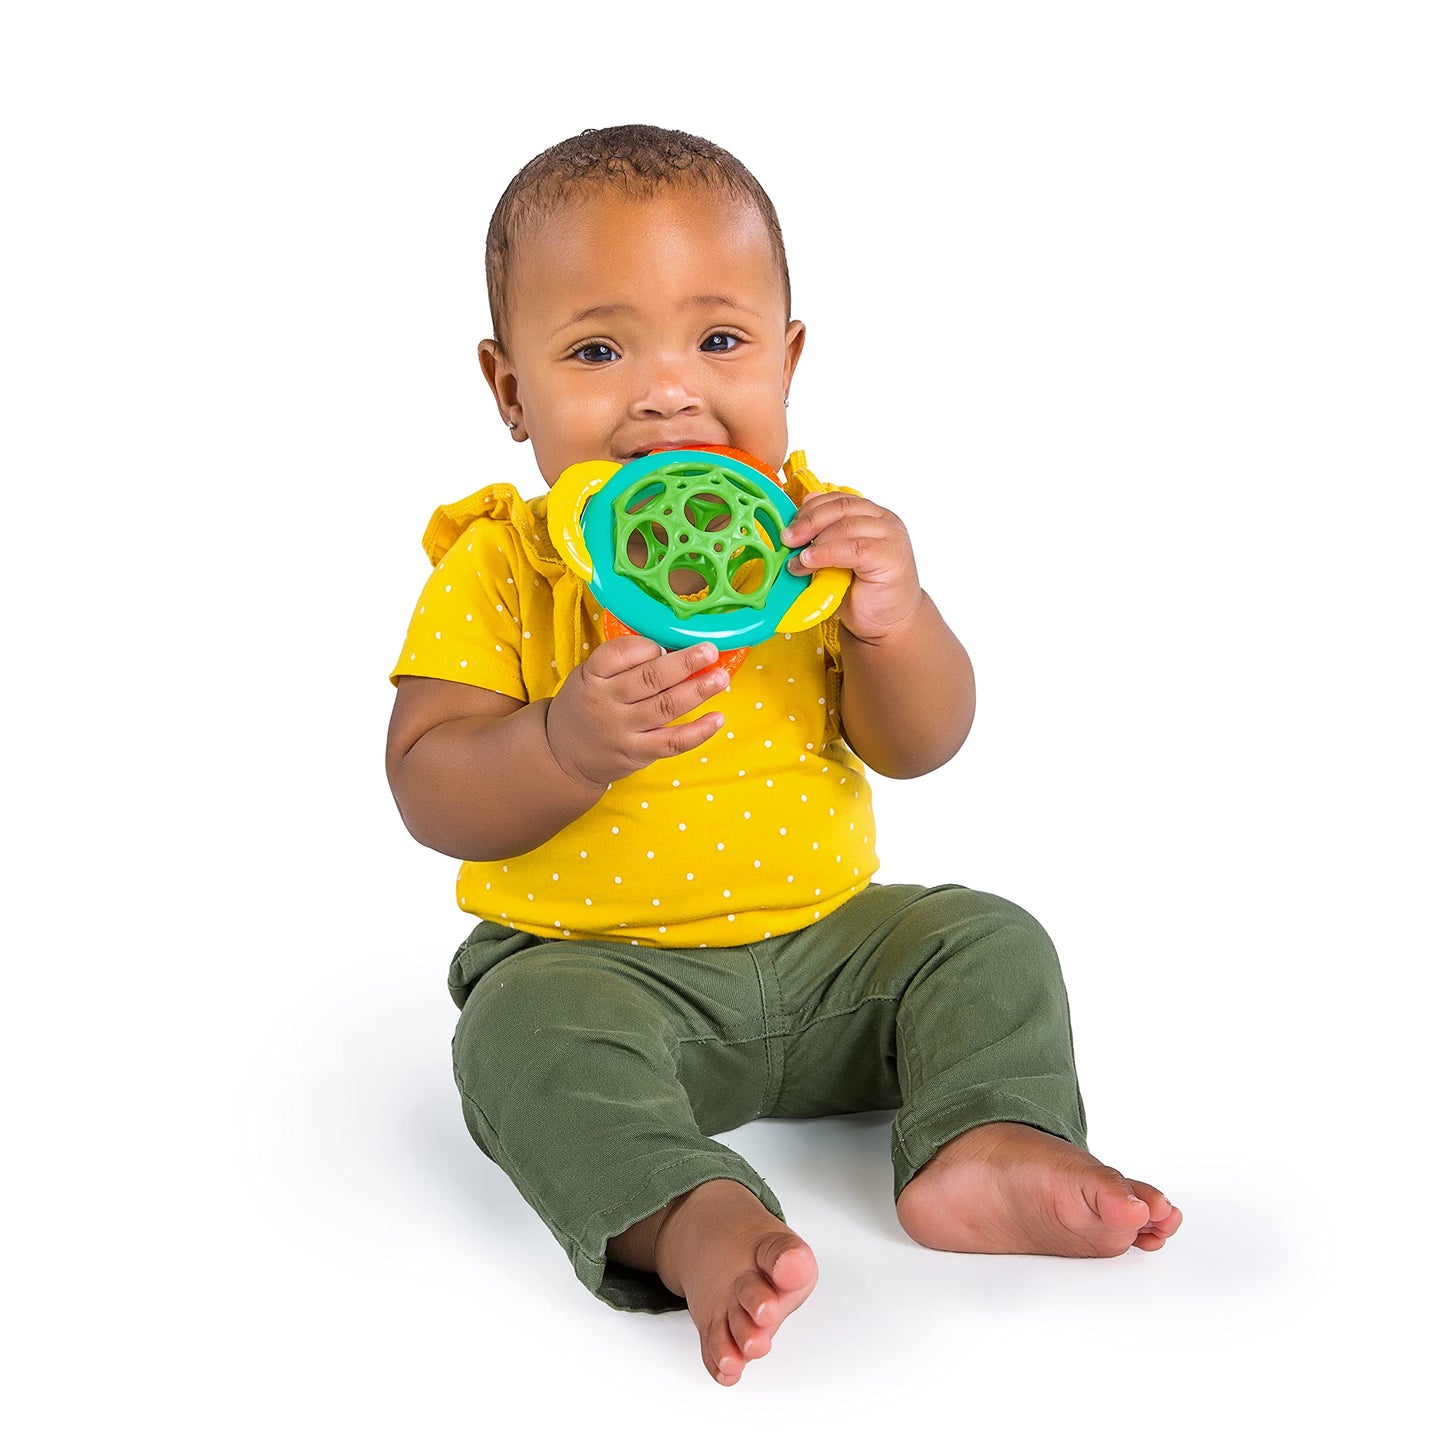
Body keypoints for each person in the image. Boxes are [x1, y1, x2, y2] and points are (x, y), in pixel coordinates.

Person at [385, 123, 1181, 1387]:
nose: (665, 390)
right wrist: (560, 741)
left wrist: (897, 623)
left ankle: (981, 1139)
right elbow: (427, 782)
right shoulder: (502, 565)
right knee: (516, 1043)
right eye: (597, 349)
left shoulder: (813, 542)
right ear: (509, 390)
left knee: (985, 938)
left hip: (829, 950)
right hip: (596, 972)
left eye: (718, 340)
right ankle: (691, 1212)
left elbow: (920, 744)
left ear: (788, 356)